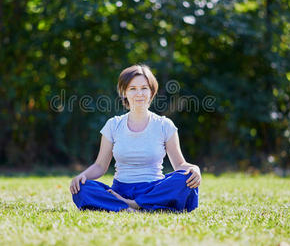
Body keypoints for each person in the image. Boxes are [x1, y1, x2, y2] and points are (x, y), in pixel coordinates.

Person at [69, 64, 201, 213]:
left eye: (144, 88)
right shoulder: (113, 125)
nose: (139, 93)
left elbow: (180, 165)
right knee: (83, 188)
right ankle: (136, 205)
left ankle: (131, 205)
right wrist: (82, 176)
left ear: (152, 91)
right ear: (124, 92)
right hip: (120, 191)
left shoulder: (165, 125)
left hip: (154, 190)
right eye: (133, 88)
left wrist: (193, 169)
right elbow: (100, 166)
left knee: (184, 180)